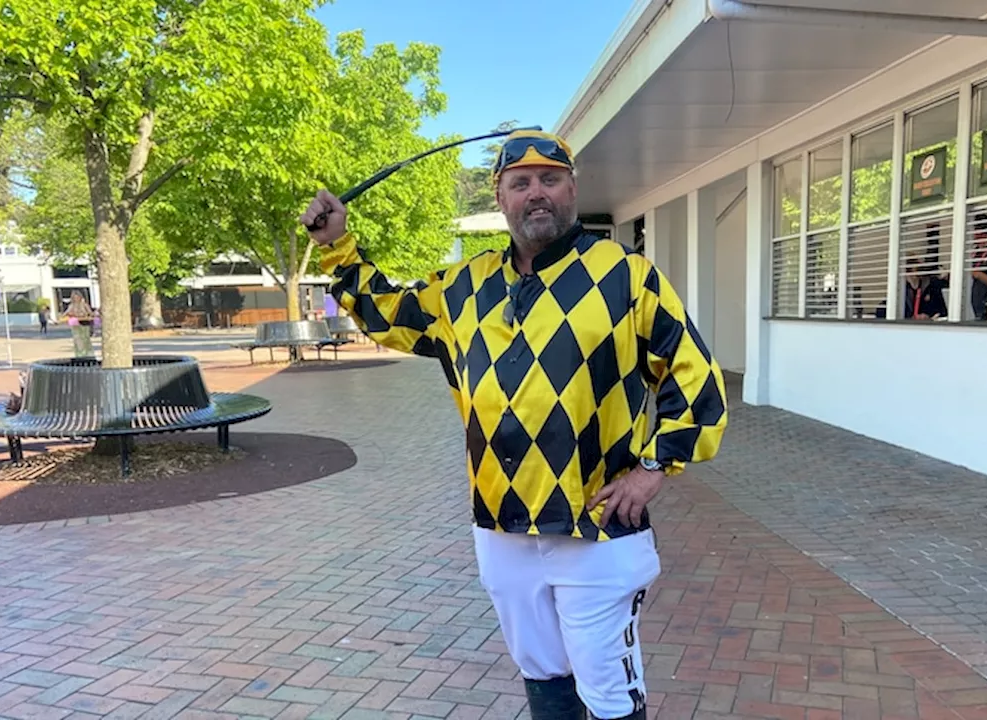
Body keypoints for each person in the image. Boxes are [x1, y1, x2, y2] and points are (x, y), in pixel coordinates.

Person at [301, 129, 728, 720]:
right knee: (542, 676)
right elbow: (387, 315)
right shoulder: (463, 285)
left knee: (607, 690)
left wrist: (653, 468)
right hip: (500, 528)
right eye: (519, 183)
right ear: (500, 197)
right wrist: (337, 245)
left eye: (549, 180)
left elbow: (697, 379)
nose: (536, 194)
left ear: (572, 188)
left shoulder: (625, 275)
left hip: (597, 527)